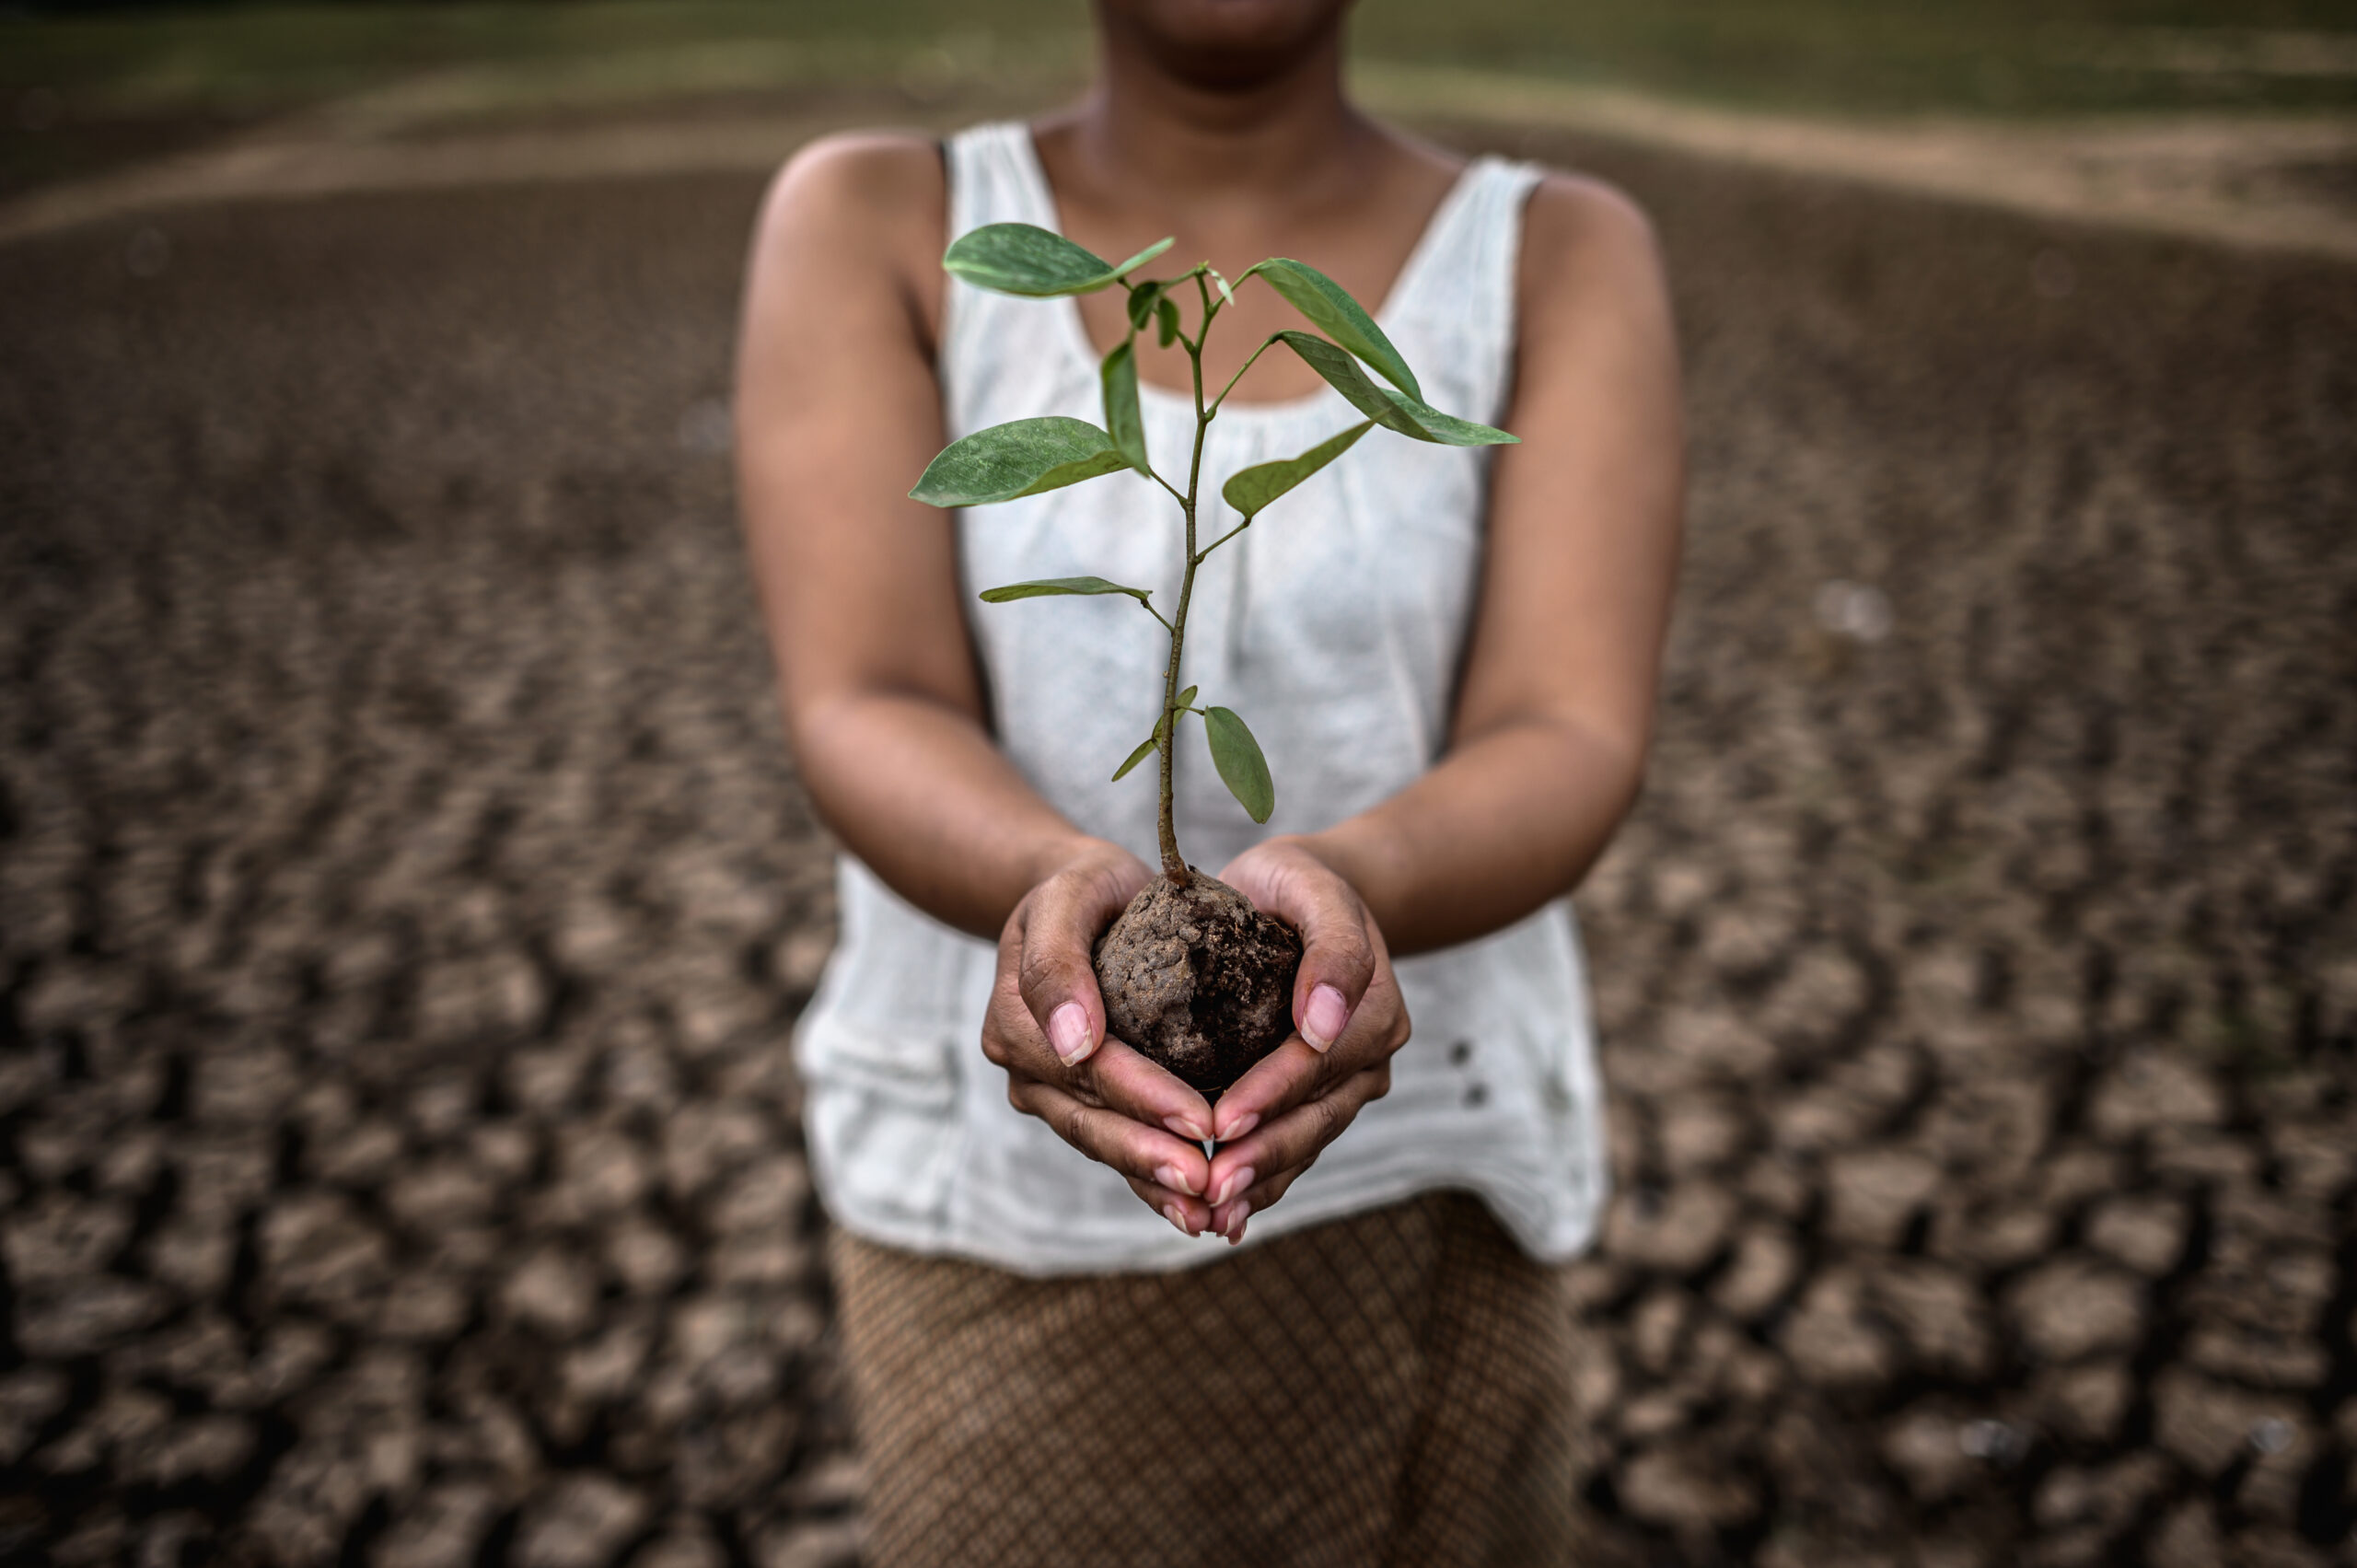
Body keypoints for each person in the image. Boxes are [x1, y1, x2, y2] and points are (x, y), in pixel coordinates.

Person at [734, 0, 1681, 1560]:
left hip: (1426, 1180)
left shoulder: (1553, 251)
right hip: (1005, 1227)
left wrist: (1355, 886)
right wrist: (1061, 893)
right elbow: (863, 695)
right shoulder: (883, 218)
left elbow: (1568, 728)